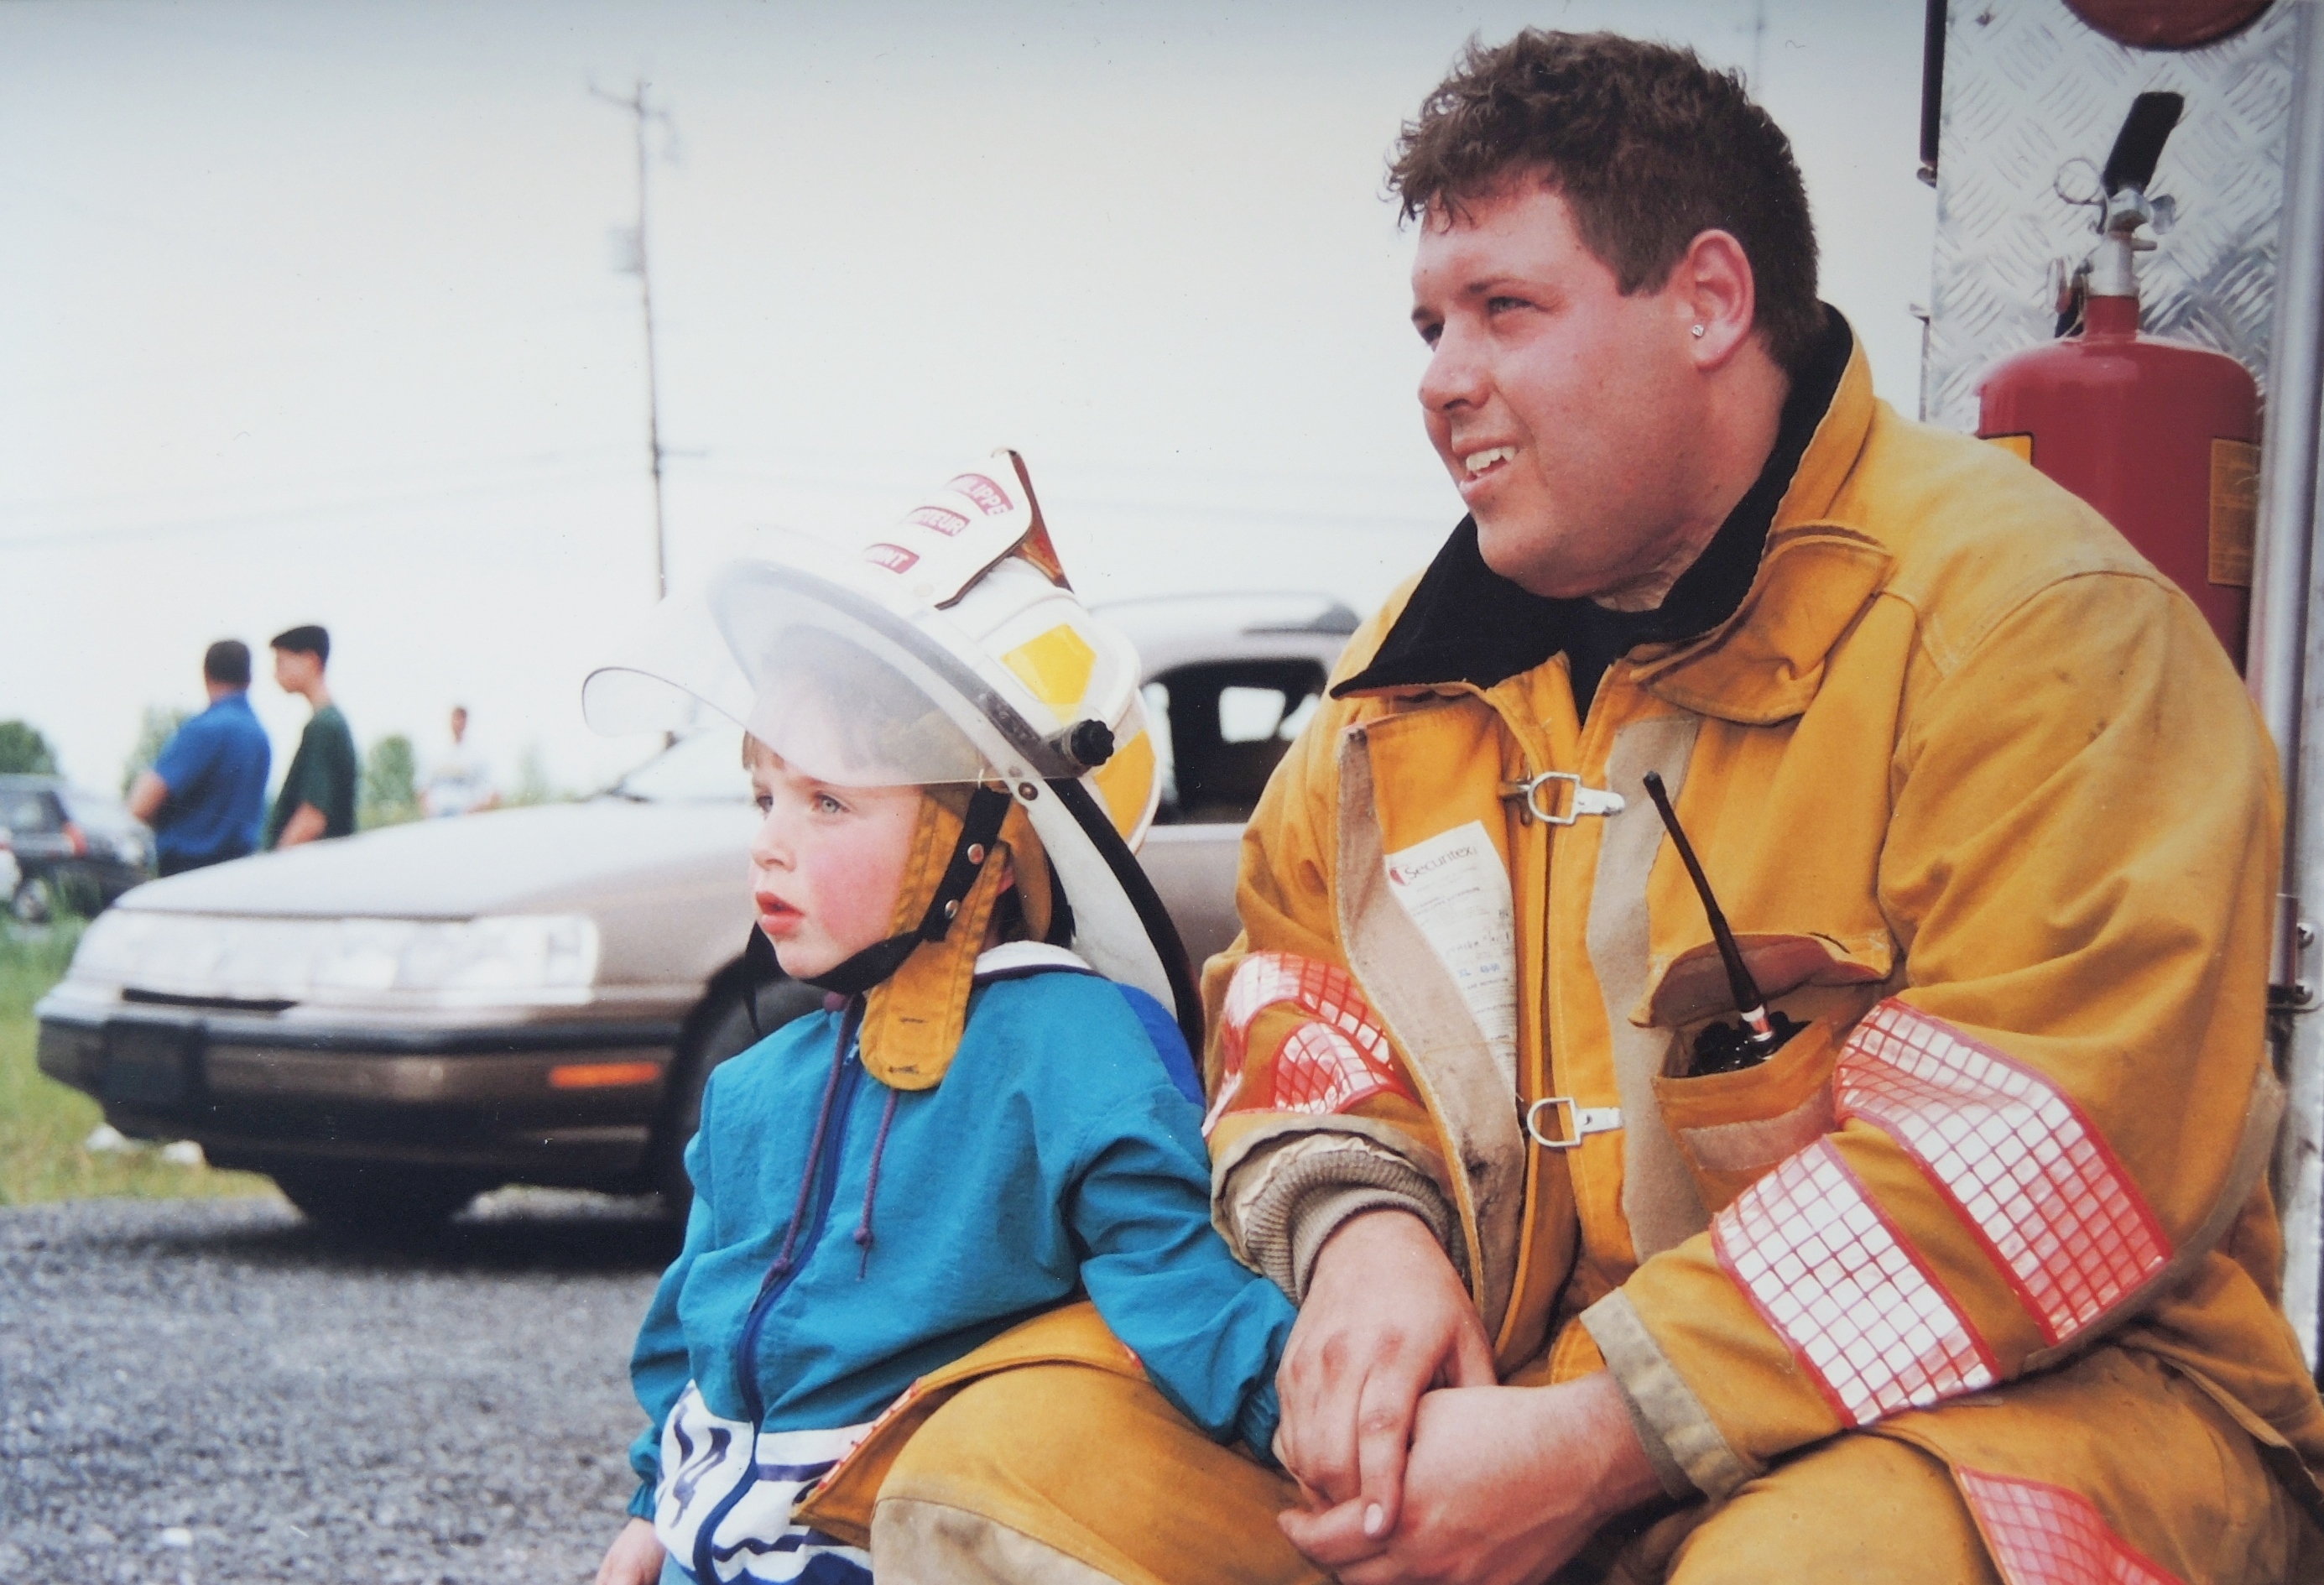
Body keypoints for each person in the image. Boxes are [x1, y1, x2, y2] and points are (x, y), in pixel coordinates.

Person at [872, 29, 2324, 1585]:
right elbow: (1291, 1006)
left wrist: (1597, 1438)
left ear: (1709, 299)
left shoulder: (2046, 628)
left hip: (2026, 1412)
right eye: (1430, 322)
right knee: (995, 1482)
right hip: (1517, 1409)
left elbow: (2040, 1148)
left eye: (1505, 308)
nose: (1440, 380)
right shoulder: (1391, 696)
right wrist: (1366, 1237)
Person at [582, 452, 1296, 1585]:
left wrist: (1336, 1436)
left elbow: (1178, 1286)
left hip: (893, 1544)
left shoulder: (1071, 1048)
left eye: (828, 801)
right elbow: (695, 1334)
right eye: (763, 794)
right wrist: (647, 1513)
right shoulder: (754, 1088)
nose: (771, 837)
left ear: (985, 846)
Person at [126, 639, 272, 876]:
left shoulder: (203, 730)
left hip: (188, 873)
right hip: (240, 873)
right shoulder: (260, 737)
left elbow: (141, 804)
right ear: (249, 678)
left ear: (206, 675)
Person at [263, 623, 357, 849]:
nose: (275, 673)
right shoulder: (330, 722)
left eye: (281, 662)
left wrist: (271, 870)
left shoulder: (323, 726)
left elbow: (312, 817)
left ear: (310, 661)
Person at [419, 705, 498, 817]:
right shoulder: (436, 755)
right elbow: (422, 789)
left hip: (466, 818)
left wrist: (477, 810)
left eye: (462, 719)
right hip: (439, 818)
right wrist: (429, 811)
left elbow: (493, 793)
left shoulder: (476, 756)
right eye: (456, 718)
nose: (458, 723)